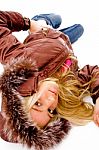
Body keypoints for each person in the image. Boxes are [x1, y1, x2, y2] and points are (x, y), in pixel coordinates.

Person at [0, 11, 99, 150]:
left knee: (57, 18)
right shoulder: (66, 90)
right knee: (80, 29)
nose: (51, 101)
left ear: (26, 95)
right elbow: (91, 72)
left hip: (42, 33)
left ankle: (40, 20)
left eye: (38, 104)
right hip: (65, 43)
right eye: (51, 111)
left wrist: (29, 23)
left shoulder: (19, 60)